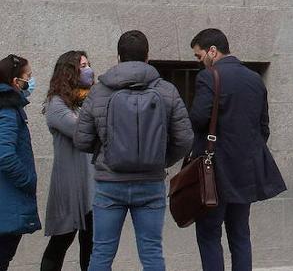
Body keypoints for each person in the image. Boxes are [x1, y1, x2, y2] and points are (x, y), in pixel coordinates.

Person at [75, 31, 193, 271]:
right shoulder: (167, 90)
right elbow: (185, 139)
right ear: (147, 57)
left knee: (101, 252)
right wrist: (161, 159)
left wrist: (105, 150)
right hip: (151, 183)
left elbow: (81, 139)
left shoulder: (99, 91)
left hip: (110, 183)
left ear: (118, 57)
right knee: (151, 253)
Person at [189, 29, 287, 271]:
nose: (199, 62)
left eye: (199, 56)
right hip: (246, 172)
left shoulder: (208, 77)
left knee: (209, 234)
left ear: (213, 51)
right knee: (240, 234)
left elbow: (198, 120)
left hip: (215, 172)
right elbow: (263, 127)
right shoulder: (254, 79)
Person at [41, 51, 95, 271]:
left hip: (91, 183)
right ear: (69, 72)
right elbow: (81, 130)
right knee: (61, 241)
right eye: (82, 66)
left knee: (90, 244)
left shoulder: (87, 100)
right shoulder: (56, 104)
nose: (88, 70)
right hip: (70, 184)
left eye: (88, 65)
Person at [0, 54, 40, 271]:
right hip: (6, 204)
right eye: (29, 77)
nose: (31, 82)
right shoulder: (7, 109)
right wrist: (28, 180)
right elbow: (4, 155)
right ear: (16, 82)